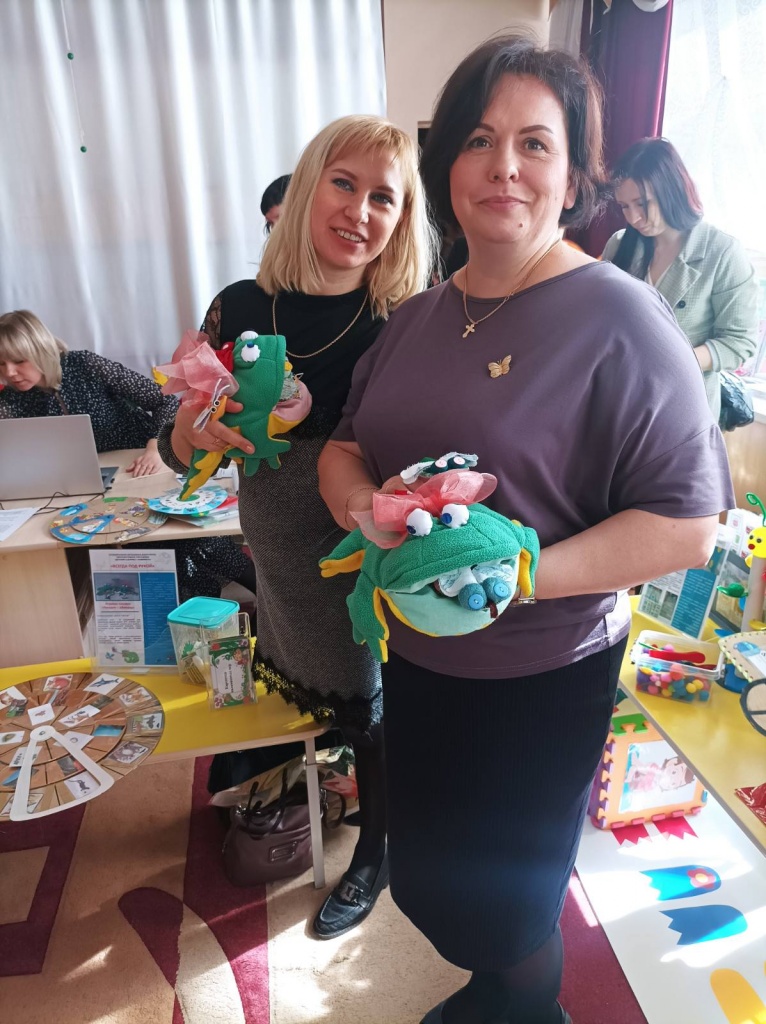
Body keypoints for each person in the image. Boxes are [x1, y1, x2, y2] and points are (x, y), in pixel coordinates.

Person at [317, 37, 734, 1024]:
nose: (503, 166)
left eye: (535, 144)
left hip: (541, 676)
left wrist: (512, 573)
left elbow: (688, 527)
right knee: (431, 881)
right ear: (447, 168)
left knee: (507, 913)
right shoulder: (417, 316)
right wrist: (368, 512)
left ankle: (524, 1010)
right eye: (478, 139)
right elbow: (344, 447)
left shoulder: (622, 320)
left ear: (576, 175)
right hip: (418, 658)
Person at [158, 114, 434, 939]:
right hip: (275, 548)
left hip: (357, 543)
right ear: (309, 187)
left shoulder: (403, 319)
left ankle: (378, 851)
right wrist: (196, 431)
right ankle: (328, 793)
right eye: (344, 184)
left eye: (383, 197)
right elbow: (179, 444)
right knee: (316, 693)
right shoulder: (240, 305)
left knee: (372, 700)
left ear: (402, 219)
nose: (359, 210)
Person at [0, 309, 256, 603]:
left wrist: (154, 447)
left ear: (40, 350)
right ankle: (191, 606)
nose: (10, 372)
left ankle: (251, 597)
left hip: (142, 465)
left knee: (179, 530)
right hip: (86, 486)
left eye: (19, 361)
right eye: (1, 364)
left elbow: (164, 400)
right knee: (130, 542)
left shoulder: (84, 365)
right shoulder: (10, 401)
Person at [602, 137, 759, 422]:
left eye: (642, 203)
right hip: (621, 397)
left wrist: (675, 361)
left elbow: (739, 342)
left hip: (683, 406)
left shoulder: (721, 252)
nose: (634, 218)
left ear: (672, 190)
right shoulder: (620, 245)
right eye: (624, 206)